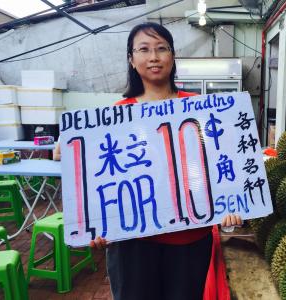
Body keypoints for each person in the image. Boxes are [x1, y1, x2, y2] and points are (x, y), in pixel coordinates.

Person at [56, 22, 242, 299]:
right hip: (132, 246)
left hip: (190, 241)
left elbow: (222, 163)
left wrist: (233, 203)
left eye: (161, 48)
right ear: (131, 59)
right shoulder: (114, 116)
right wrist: (71, 151)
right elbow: (95, 181)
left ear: (172, 56)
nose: (153, 57)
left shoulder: (200, 109)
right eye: (143, 49)